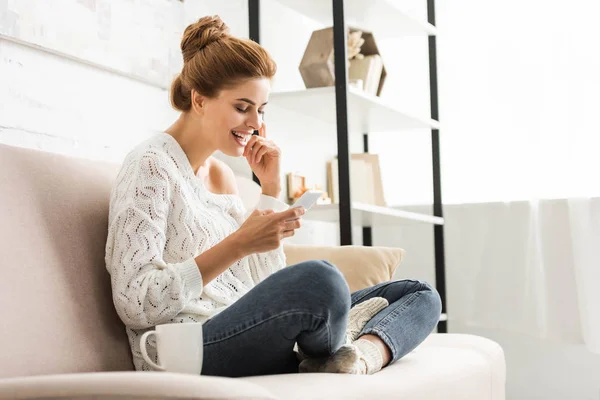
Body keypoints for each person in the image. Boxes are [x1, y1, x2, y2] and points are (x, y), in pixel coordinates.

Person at [104, 15, 442, 378]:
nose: (254, 123)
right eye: (242, 106)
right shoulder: (151, 166)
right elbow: (135, 303)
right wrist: (237, 244)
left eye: (261, 111)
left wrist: (270, 191)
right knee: (320, 281)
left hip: (248, 328)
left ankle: (354, 358)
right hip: (191, 348)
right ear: (199, 101)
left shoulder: (221, 176)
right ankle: (339, 340)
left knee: (420, 294)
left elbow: (260, 286)